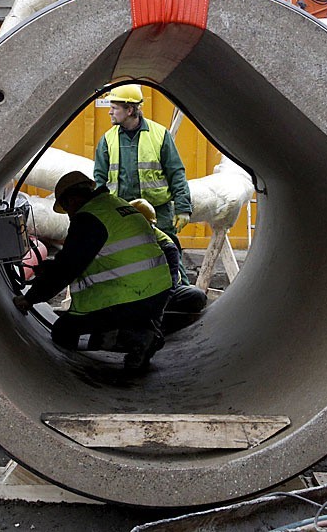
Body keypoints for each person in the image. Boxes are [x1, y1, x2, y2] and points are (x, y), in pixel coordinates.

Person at [12, 171, 172, 371]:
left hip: (130, 299)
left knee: (64, 334)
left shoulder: (89, 218)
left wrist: (31, 298)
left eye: (67, 208)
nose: (70, 215)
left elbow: (68, 267)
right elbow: (98, 257)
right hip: (155, 294)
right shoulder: (115, 205)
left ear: (71, 200)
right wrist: (50, 269)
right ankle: (142, 331)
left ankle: (136, 339)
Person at [94, 84, 193, 281]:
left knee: (170, 256)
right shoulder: (107, 140)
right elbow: (99, 181)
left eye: (114, 107)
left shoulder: (159, 135)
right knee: (123, 261)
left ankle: (182, 297)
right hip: (122, 214)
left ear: (129, 110)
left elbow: (176, 173)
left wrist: (183, 209)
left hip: (159, 213)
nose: (109, 111)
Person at [129, 198, 208, 321]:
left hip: (160, 292)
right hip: (130, 292)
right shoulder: (119, 240)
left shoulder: (165, 245)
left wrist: (158, 312)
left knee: (196, 296)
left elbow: (171, 282)